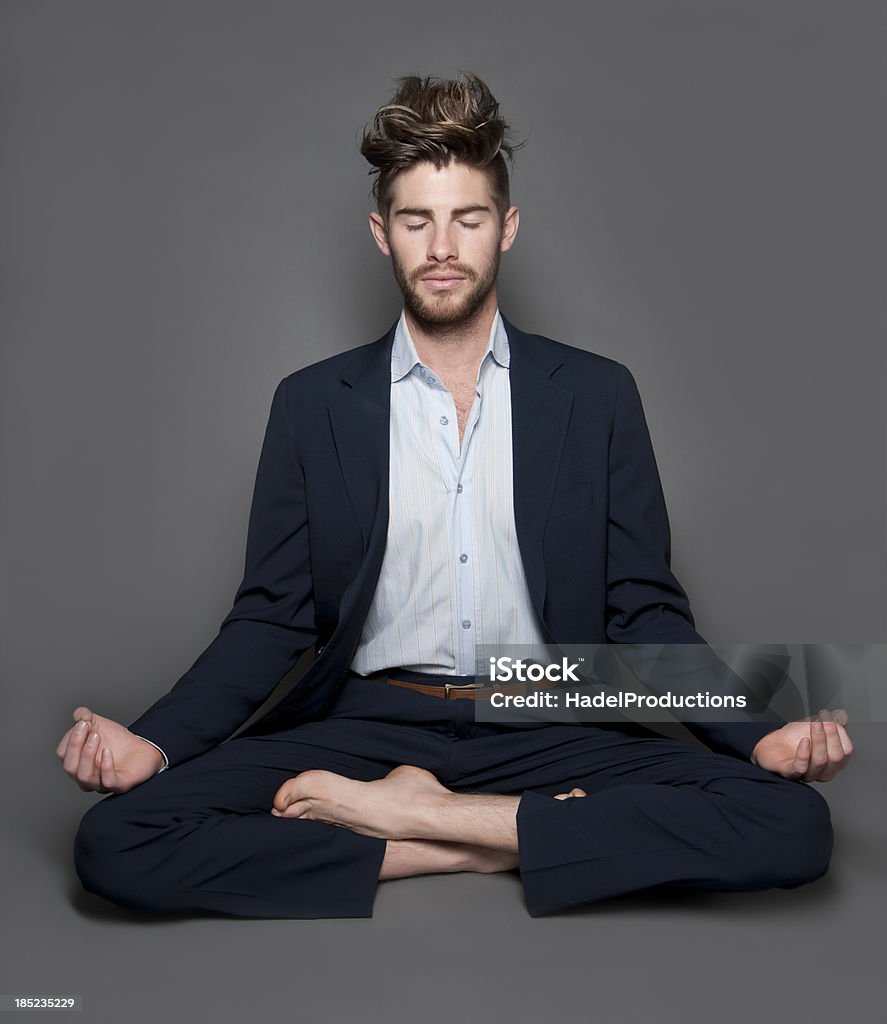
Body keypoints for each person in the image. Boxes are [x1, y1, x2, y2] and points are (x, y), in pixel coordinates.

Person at [58, 72, 852, 919]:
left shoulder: (596, 394)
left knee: (791, 825)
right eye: (416, 221)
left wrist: (759, 731)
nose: (442, 246)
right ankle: (485, 841)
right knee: (117, 841)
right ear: (382, 234)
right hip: (367, 721)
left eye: (466, 219)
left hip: (545, 714)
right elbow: (270, 619)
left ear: (505, 228)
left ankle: (429, 823)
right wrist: (153, 743)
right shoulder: (311, 403)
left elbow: (642, 614)